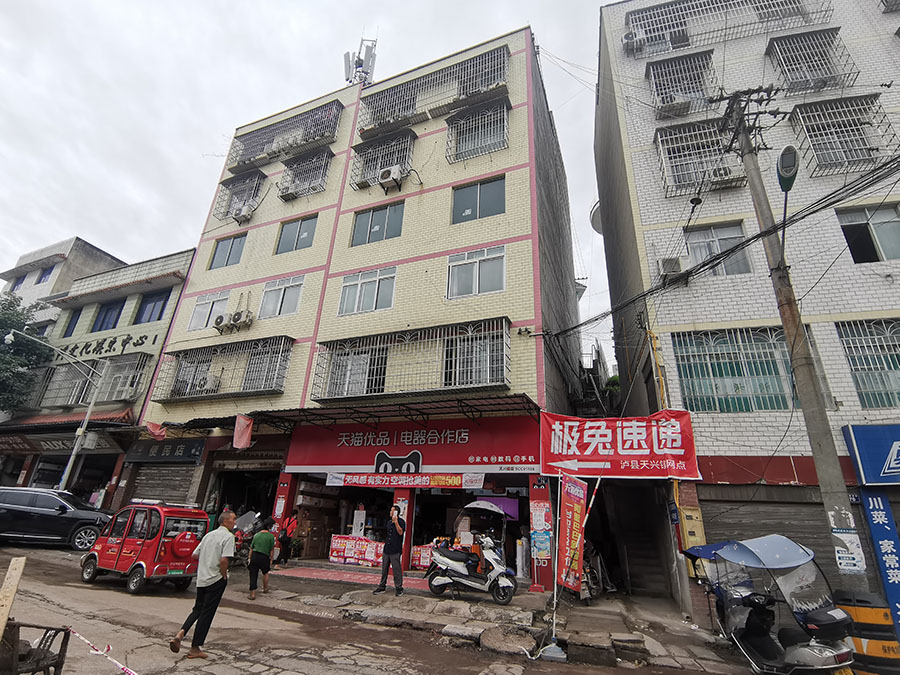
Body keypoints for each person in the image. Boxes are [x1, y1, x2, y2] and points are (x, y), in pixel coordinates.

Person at [169, 511, 236, 659]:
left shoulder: (208, 536)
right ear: (225, 522)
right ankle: (195, 647)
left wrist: (207, 558)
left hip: (202, 578)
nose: (235, 522)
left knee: (197, 609)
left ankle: (181, 633)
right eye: (233, 519)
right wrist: (223, 575)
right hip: (216, 579)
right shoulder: (228, 537)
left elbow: (195, 555)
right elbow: (224, 560)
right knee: (207, 613)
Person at [373, 504, 406, 596]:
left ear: (396, 512)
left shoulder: (401, 521)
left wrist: (396, 522)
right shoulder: (389, 522)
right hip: (387, 548)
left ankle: (399, 587)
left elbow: (400, 532)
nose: (390, 512)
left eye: (392, 511)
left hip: (395, 549)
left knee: (396, 569)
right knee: (384, 569)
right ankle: (382, 586)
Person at [248, 517, 276, 600]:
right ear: (269, 527)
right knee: (265, 572)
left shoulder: (256, 535)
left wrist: (249, 558)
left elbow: (251, 548)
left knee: (253, 574)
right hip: (264, 557)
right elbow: (272, 549)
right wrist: (271, 559)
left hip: (255, 556)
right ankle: (265, 588)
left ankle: (252, 594)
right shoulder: (271, 536)